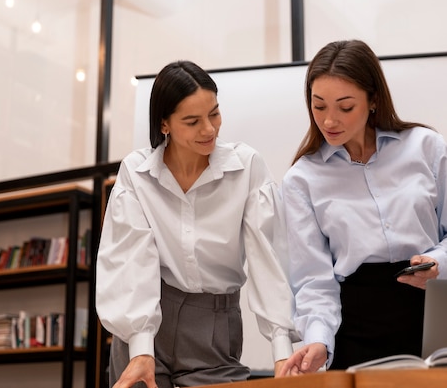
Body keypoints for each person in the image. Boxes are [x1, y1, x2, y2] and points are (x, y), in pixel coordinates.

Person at [279, 40, 447, 374]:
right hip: (356, 328)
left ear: (373, 99)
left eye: (345, 107)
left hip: (431, 316)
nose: (329, 120)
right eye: (319, 106)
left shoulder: (427, 147)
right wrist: (318, 340)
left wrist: (440, 262)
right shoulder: (301, 179)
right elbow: (313, 281)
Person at [95, 60, 298, 388]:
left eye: (214, 114)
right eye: (192, 121)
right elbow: (130, 258)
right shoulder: (136, 173)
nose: (209, 129)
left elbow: (268, 257)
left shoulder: (246, 168)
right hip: (147, 319)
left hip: (214, 327)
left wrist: (281, 348)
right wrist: (142, 347)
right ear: (165, 124)